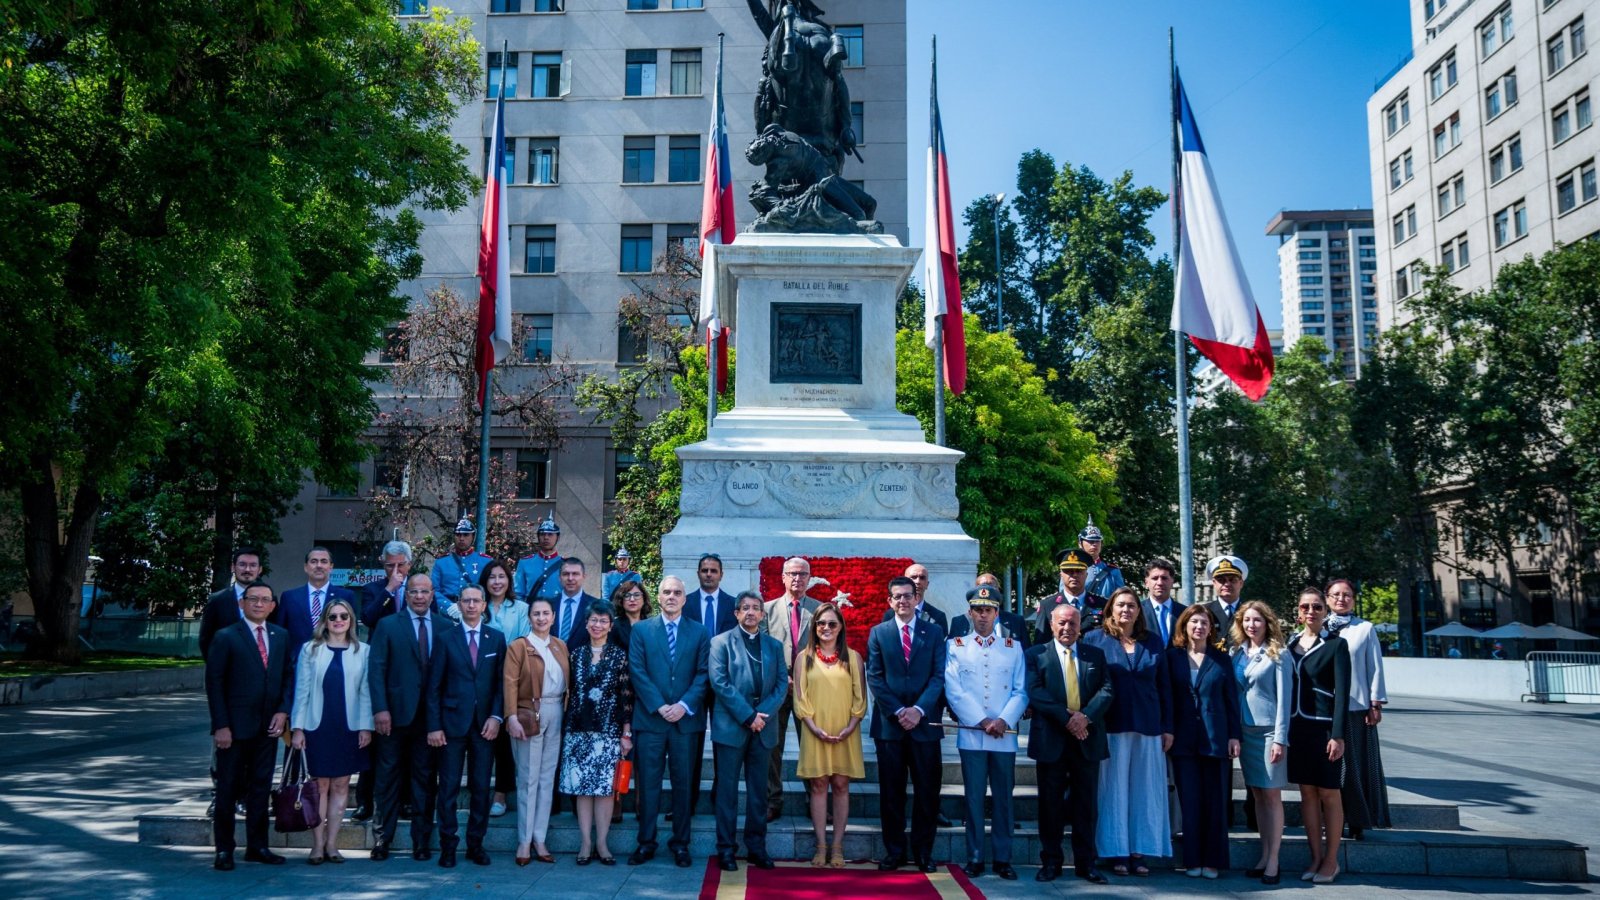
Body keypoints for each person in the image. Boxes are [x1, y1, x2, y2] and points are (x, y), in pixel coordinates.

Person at [1080, 586, 1171, 877]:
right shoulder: (1095, 639)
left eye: (1131, 605)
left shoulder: (1153, 642)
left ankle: (1139, 851)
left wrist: (1168, 727)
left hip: (1148, 726)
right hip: (1111, 726)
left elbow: (1165, 688)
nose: (1126, 610)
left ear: (1138, 611)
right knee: (1113, 789)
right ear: (1110, 609)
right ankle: (1115, 849)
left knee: (1145, 791)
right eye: (1120, 605)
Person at [205, 581, 292, 871]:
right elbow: (214, 684)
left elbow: (286, 679)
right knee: (228, 790)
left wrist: (283, 712)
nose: (258, 604)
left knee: (260, 789)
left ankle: (257, 846)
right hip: (233, 729)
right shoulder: (226, 636)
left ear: (272, 606)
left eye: (265, 599)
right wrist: (221, 726)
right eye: (252, 599)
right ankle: (224, 849)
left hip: (267, 728)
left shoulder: (280, 636)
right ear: (242, 604)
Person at [943, 583, 1027, 881]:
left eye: (988, 610)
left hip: (1003, 736)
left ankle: (1003, 857)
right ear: (969, 612)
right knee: (974, 798)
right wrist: (981, 721)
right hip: (973, 734)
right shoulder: (956, 647)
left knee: (1004, 798)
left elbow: (1021, 691)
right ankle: (976, 855)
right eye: (978, 610)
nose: (982, 616)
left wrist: (1003, 720)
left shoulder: (1013, 648)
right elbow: (954, 691)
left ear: (997, 613)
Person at [1025, 604, 1112, 884]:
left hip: (1087, 739)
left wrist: (1085, 718)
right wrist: (1068, 719)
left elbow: (1107, 690)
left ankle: (1086, 863)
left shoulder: (1095, 655)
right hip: (1052, 739)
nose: (1067, 628)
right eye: (1062, 623)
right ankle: (1051, 862)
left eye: (1073, 624)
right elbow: (1035, 692)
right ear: (1051, 624)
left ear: (1079, 627)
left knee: (1086, 806)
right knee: (1050, 805)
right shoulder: (1036, 655)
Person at [865, 575, 946, 873]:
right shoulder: (879, 633)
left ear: (916, 597)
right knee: (891, 793)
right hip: (890, 727)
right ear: (890, 600)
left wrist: (919, 710)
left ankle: (924, 852)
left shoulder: (934, 632)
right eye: (897, 596)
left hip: (925, 726)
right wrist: (900, 710)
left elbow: (939, 676)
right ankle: (895, 851)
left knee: (927, 792)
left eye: (908, 596)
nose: (903, 601)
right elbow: (875, 676)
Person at [366, 571, 449, 861]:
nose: (419, 597)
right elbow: (375, 670)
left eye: (425, 592)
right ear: (407, 594)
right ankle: (381, 840)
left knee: (424, 782)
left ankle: (421, 842)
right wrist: (380, 709)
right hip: (393, 718)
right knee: (387, 779)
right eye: (413, 591)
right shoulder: (388, 625)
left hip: (429, 722)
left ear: (433, 595)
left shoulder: (444, 627)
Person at [628, 576, 710, 868]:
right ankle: (646, 842)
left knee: (683, 785)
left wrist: (684, 705)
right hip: (651, 721)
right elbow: (637, 671)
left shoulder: (700, 632)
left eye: (677, 592)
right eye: (666, 592)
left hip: (685, 722)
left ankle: (681, 843)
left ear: (685, 599)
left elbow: (703, 674)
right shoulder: (641, 630)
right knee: (648, 785)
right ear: (658, 597)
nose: (672, 596)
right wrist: (661, 706)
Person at [425, 585, 505, 868]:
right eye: (466, 600)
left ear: (485, 605)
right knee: (447, 787)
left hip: (485, 727)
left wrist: (497, 717)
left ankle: (476, 844)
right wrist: (434, 726)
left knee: (481, 787)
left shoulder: (496, 639)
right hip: (450, 726)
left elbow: (500, 685)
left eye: (476, 601)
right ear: (458, 605)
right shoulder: (445, 639)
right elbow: (433, 687)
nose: (471, 605)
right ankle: (448, 846)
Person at [709, 591, 789, 872]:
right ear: (736, 613)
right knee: (727, 792)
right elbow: (720, 683)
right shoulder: (720, 643)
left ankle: (757, 848)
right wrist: (748, 716)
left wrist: (761, 716)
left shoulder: (774, 646)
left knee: (759, 793)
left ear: (762, 614)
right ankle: (726, 849)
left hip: (763, 729)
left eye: (756, 608)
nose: (751, 612)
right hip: (732, 727)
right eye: (745, 608)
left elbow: (782, 685)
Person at [290, 598, 372, 865]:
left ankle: (333, 844)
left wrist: (365, 726)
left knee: (340, 785)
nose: (338, 621)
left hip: (347, 726)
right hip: (318, 726)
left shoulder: (363, 651)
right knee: (320, 786)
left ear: (351, 621)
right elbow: (301, 691)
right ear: (325, 621)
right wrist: (297, 728)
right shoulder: (311, 649)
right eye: (333, 617)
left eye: (344, 617)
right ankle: (316, 845)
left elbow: (365, 693)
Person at [1166, 605, 1241, 879]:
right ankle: (1193, 859)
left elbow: (1232, 700)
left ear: (1211, 628)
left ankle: (1213, 860)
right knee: (1190, 801)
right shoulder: (1172, 657)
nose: (1199, 627)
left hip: (1216, 739)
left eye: (1204, 623)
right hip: (1183, 739)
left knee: (1215, 801)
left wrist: (1234, 735)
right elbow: (1167, 698)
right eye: (1194, 622)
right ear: (1184, 626)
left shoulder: (1221, 659)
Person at [791, 601, 866, 869]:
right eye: (821, 623)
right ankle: (821, 845)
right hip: (815, 731)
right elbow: (800, 698)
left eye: (832, 623)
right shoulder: (804, 658)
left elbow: (861, 698)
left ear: (841, 627)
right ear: (814, 627)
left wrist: (851, 725)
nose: (826, 628)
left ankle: (838, 846)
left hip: (845, 732)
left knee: (842, 786)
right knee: (819, 785)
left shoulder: (853, 658)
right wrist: (812, 727)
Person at [560, 602, 633, 866]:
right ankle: (585, 843)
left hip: (609, 731)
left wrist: (626, 732)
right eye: (593, 620)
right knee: (582, 789)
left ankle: (602, 843)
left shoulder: (619, 656)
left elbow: (626, 695)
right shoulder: (575, 655)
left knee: (603, 790)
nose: (598, 625)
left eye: (603, 621)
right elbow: (568, 692)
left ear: (610, 626)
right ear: (587, 624)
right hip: (578, 731)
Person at [1288, 587, 1351, 884]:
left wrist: (1337, 735)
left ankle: (1331, 859)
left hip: (1324, 727)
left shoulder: (1337, 645)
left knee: (1329, 793)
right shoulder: (1289, 645)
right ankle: (1315, 857)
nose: (1310, 612)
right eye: (1305, 607)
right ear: (1298, 612)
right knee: (1307, 794)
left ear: (1325, 611)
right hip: (1298, 728)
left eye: (1316, 607)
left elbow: (1343, 694)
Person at [457, 560, 526, 819]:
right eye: (492, 577)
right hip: (479, 683)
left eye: (502, 577)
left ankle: (500, 794)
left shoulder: (521, 609)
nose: (497, 581)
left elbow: (521, 641)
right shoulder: (475, 606)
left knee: (504, 743)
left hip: (511, 679)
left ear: (509, 581)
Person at [502, 596, 569, 865]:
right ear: (529, 618)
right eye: (536, 614)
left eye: (546, 613)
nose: (541, 618)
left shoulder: (560, 646)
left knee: (546, 779)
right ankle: (524, 840)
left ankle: (540, 838)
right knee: (528, 779)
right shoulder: (519, 646)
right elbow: (509, 683)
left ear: (553, 617)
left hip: (556, 712)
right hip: (529, 714)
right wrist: (511, 716)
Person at [1231, 599, 1292, 885]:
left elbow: (1284, 700)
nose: (1251, 625)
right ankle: (1264, 854)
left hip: (1268, 732)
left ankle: (1275, 859)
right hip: (1246, 731)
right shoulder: (1236, 653)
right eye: (1246, 621)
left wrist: (1280, 738)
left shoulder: (1278, 653)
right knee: (1256, 794)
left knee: (1271, 795)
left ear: (1267, 623)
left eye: (1257, 620)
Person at [1325, 579, 1391, 839]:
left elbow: (1374, 667)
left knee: (1355, 767)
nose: (1341, 599)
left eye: (1347, 595)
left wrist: (1375, 703)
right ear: (1327, 598)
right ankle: (1331, 818)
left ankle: (1357, 820)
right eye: (1336, 595)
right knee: (1329, 768)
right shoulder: (1319, 627)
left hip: (1354, 707)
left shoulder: (1364, 629)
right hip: (1325, 708)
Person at [761, 556, 817, 822]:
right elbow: (761, 652)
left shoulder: (820, 611)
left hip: (810, 690)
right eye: (792, 574)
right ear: (782, 577)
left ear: (809, 578)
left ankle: (814, 799)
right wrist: (784, 679)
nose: (797, 579)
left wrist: (804, 679)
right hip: (776, 690)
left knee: (812, 746)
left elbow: (827, 650)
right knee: (773, 746)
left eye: (802, 574)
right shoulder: (767, 610)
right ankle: (773, 799)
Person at [684, 551, 737, 819]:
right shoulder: (686, 603)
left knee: (722, 743)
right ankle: (687, 801)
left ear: (721, 574)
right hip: (692, 681)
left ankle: (720, 799)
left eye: (713, 570)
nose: (708, 574)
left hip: (723, 683)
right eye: (704, 570)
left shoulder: (733, 604)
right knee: (690, 745)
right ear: (698, 573)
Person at [275, 546, 355, 661]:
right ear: (306, 567)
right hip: (296, 663)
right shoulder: (289, 597)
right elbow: (281, 634)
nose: (319, 566)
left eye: (324, 561)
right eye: (313, 561)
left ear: (331, 567)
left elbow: (351, 632)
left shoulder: (346, 596)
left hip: (335, 662)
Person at [198, 547, 263, 660]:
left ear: (259, 570)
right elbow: (205, 639)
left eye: (253, 565)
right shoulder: (217, 600)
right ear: (233, 567)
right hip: (227, 671)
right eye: (242, 564)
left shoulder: (270, 600)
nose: (247, 569)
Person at [1035, 547, 1108, 637]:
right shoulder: (1047, 606)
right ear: (1061, 575)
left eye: (1079, 571)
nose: (1074, 575)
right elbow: (1040, 644)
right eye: (1068, 571)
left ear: (1086, 575)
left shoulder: (1102, 604)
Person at [948, 572, 1030, 648]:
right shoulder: (960, 622)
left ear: (998, 590)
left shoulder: (1016, 621)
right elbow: (952, 651)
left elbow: (1026, 652)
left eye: (991, 586)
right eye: (982, 586)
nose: (987, 590)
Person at [430, 517, 493, 609]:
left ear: (473, 537)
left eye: (466, 535)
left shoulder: (486, 561)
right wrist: (448, 606)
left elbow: (491, 590)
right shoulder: (441, 562)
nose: (461, 538)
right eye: (458, 535)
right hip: (447, 611)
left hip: (475, 609)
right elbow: (434, 590)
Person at [360, 540, 416, 629]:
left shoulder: (419, 588)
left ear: (409, 564)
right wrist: (389, 589)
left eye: (400, 565)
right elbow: (367, 619)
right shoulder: (371, 589)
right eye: (390, 565)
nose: (395, 570)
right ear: (384, 565)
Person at [514, 513, 564, 605]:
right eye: (542, 534)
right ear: (538, 537)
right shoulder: (525, 563)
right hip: (530, 615)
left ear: (558, 537)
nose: (546, 538)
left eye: (550, 534)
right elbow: (518, 594)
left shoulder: (565, 564)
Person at [1199, 555, 1248, 645]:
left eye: (1232, 580)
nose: (1227, 584)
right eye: (1221, 580)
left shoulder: (1249, 611)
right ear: (1214, 583)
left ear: (1241, 583)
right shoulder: (1204, 611)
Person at [1139, 558, 1186, 649]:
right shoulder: (1137, 611)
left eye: (1164, 578)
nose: (1160, 583)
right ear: (1146, 583)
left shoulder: (1184, 612)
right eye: (1155, 578)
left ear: (1172, 581)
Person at [1078, 517, 1126, 599]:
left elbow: (1121, 597)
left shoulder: (1113, 571)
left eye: (1097, 541)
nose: (1094, 544)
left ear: (1102, 544)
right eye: (1090, 541)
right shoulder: (1073, 570)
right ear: (1080, 544)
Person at [607, 578, 651, 653]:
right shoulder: (614, 626)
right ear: (621, 600)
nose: (632, 599)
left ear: (644, 599)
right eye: (627, 595)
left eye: (637, 595)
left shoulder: (652, 625)